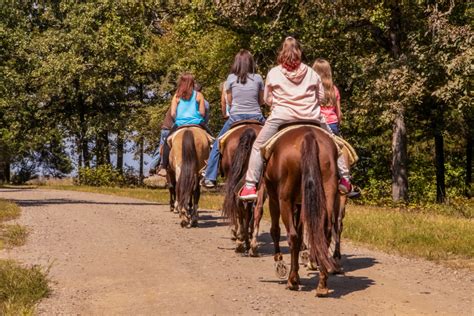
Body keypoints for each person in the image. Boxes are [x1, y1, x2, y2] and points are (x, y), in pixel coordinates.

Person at [239, 37, 353, 200]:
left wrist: (277, 101)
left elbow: (266, 99)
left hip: (282, 117)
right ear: (299, 52)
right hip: (312, 117)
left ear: (282, 51)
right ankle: (345, 179)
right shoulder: (312, 72)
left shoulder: (273, 72)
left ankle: (250, 186)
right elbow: (320, 98)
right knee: (336, 143)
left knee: (258, 146)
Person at [202, 49, 266, 188]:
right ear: (251, 63)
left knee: (218, 143)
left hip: (235, 118)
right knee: (274, 140)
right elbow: (262, 101)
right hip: (256, 116)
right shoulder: (259, 78)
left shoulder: (230, 78)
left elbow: (230, 101)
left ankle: (210, 176)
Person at [160, 73, 207, 171]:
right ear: (192, 83)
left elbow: (173, 113)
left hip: (180, 124)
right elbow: (202, 113)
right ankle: (211, 169)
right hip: (197, 123)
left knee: (166, 144)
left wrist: (180, 118)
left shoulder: (177, 95)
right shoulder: (199, 95)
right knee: (213, 142)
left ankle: (163, 167)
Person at [312, 58, 342, 136]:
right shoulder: (334, 89)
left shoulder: (312, 89)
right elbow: (339, 114)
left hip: (316, 123)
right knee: (340, 147)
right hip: (332, 124)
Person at [149, 107, 173, 176]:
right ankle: (161, 168)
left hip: (165, 129)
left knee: (161, 148)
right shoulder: (181, 105)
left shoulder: (175, 104)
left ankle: (152, 167)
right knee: (164, 149)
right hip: (169, 130)